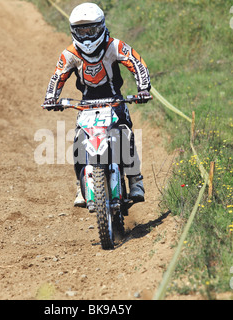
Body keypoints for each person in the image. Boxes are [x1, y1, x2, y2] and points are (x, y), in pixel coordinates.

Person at [43, 2, 151, 207]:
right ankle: (80, 185)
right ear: (74, 31)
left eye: (91, 30)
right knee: (78, 140)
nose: (87, 36)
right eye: (81, 31)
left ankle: (135, 179)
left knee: (125, 134)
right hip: (86, 105)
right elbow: (58, 76)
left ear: (101, 27)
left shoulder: (114, 45)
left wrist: (143, 88)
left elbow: (136, 62)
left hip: (115, 101)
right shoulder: (70, 53)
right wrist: (51, 98)